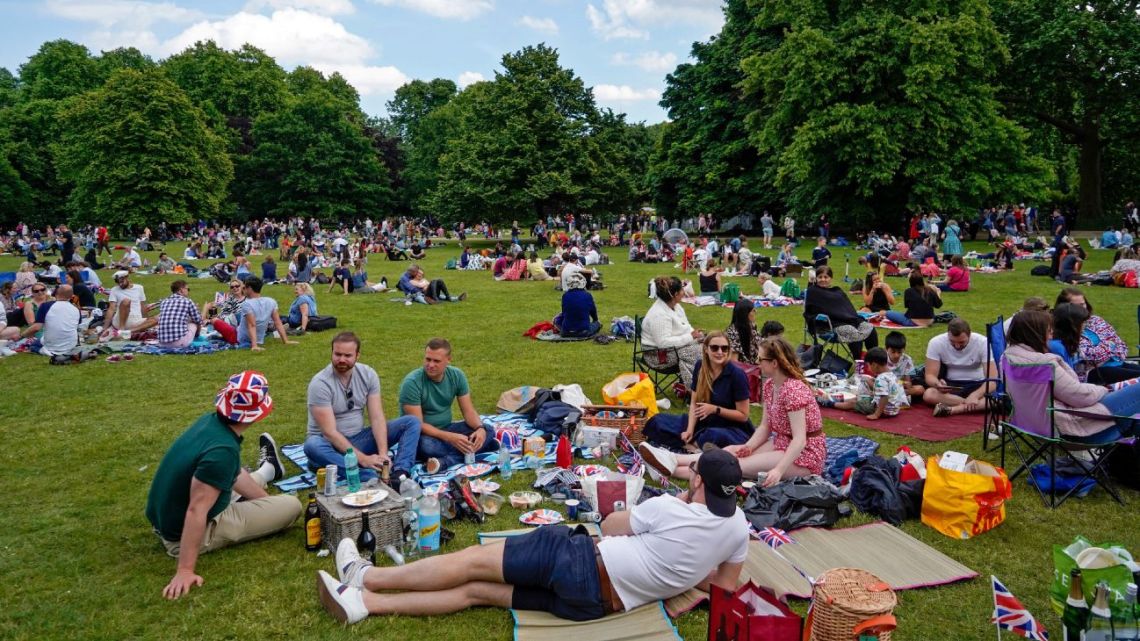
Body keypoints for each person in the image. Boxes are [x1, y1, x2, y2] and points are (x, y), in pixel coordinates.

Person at [317, 447, 747, 624]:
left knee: (468, 561)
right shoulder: (737, 528)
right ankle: (364, 606)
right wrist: (682, 565)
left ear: (699, 483)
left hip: (578, 561)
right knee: (476, 592)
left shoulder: (669, 508)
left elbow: (610, 525)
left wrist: (638, 517)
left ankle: (365, 576)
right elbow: (723, 586)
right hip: (594, 605)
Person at [146, 371, 300, 600]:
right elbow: (197, 509)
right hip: (183, 533)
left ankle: (269, 471)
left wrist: (265, 504)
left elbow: (234, 474)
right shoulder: (222, 451)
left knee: (255, 488)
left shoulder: (211, 423)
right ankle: (268, 474)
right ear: (257, 414)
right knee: (292, 505)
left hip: (167, 517)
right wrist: (185, 570)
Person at [640, 337, 826, 486]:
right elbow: (764, 427)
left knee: (734, 465)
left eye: (760, 359)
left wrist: (778, 470)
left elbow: (800, 440)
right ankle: (671, 458)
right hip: (782, 442)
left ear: (775, 363)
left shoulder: (793, 390)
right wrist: (749, 447)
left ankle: (666, 469)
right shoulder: (770, 386)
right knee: (730, 451)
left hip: (805, 453)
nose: (757, 363)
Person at [304, 332, 422, 483]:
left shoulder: (368, 374)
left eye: (347, 355)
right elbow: (330, 433)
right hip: (330, 446)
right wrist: (364, 459)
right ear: (331, 353)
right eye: (337, 354)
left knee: (411, 422)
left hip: (359, 440)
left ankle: (399, 472)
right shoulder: (320, 383)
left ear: (357, 355)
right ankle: (364, 475)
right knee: (312, 445)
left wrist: (383, 454)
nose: (341, 360)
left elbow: (377, 417)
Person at [1004, 310, 1140, 441]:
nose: (1051, 336)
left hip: (1034, 426)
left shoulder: (1007, 357)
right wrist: (1106, 389)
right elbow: (1080, 396)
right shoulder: (1044, 363)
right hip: (1072, 428)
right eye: (1048, 331)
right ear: (1035, 334)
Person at [399, 338, 500, 471]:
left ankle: (444, 462)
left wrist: (480, 428)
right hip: (421, 436)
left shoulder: (457, 376)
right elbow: (419, 425)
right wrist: (451, 438)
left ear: (448, 360)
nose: (430, 364)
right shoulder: (412, 383)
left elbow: (469, 411)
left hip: (447, 429)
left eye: (436, 361)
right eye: (428, 359)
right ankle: (478, 448)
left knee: (488, 429)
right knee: (426, 446)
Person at [643, 332, 754, 450]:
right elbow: (694, 403)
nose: (720, 352)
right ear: (706, 349)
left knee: (711, 436)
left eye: (724, 348)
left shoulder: (737, 374)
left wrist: (715, 410)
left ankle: (691, 445)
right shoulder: (700, 367)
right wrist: (689, 430)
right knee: (657, 421)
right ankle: (692, 445)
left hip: (731, 428)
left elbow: (743, 416)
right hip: (703, 423)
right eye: (715, 348)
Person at [1054, 287, 1140, 384]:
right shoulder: (1067, 330)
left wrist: (1106, 350)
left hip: (1117, 362)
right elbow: (1089, 355)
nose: (1082, 308)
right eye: (1076, 306)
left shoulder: (1096, 321)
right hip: (1093, 372)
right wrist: (1110, 346)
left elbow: (1121, 344)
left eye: (1083, 304)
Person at [923, 318, 995, 416]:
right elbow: (930, 375)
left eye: (961, 342)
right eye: (952, 342)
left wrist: (975, 395)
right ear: (947, 334)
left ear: (970, 335)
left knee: (998, 398)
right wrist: (937, 384)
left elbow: (992, 380)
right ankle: (972, 405)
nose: (957, 346)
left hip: (978, 383)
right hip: (952, 386)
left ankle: (954, 409)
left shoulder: (983, 342)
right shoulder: (936, 342)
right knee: (929, 394)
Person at [643, 276, 705, 389]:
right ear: (675, 294)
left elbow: (686, 327)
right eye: (682, 289)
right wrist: (690, 337)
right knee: (699, 352)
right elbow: (663, 343)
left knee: (711, 343)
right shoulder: (659, 314)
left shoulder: (677, 307)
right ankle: (695, 391)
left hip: (674, 349)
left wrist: (697, 336)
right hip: (657, 355)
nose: (684, 292)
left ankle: (709, 387)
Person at [803, 266, 878, 355]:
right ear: (816, 278)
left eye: (826, 277)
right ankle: (858, 361)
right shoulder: (813, 291)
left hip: (848, 319)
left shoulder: (837, 290)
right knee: (851, 331)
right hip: (829, 325)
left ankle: (874, 358)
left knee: (869, 327)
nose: (823, 279)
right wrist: (810, 281)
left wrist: (851, 316)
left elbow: (847, 307)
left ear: (831, 279)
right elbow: (810, 309)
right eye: (820, 277)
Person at [818, 347, 909, 419]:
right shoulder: (890, 375)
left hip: (885, 411)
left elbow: (884, 397)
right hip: (893, 409)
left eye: (868, 365)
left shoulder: (881, 379)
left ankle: (830, 404)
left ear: (875, 365)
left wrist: (876, 414)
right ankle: (834, 399)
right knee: (859, 399)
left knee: (854, 403)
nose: (868, 368)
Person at [234, 276, 297, 351]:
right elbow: (278, 322)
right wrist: (286, 341)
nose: (242, 290)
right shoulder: (271, 301)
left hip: (243, 338)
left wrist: (254, 345)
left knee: (221, 322)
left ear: (250, 289)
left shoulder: (246, 304)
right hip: (260, 337)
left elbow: (252, 325)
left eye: (244, 288)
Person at [21, 284, 81, 356]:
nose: (40, 292)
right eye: (36, 291)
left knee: (33, 345)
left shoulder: (46, 306)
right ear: (71, 296)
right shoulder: (76, 309)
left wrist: (22, 335)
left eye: (42, 290)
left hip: (52, 346)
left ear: (56, 293)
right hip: (71, 345)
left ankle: (41, 350)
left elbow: (36, 327)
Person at [101, 271, 158, 339]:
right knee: (126, 301)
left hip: (136, 321)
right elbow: (111, 309)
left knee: (158, 318)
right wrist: (104, 328)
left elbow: (142, 306)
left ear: (127, 277)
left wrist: (146, 320)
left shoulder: (139, 288)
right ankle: (121, 330)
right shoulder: (114, 290)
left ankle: (128, 332)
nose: (120, 284)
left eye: (122, 282)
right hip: (121, 321)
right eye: (118, 283)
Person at [156, 280, 205, 348]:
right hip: (178, 343)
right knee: (193, 324)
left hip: (161, 343)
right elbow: (198, 320)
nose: (188, 291)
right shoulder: (187, 301)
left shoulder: (164, 301)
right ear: (181, 290)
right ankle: (197, 338)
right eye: (188, 289)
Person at [553, 273, 600, 338]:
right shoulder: (587, 295)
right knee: (597, 324)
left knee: (557, 319)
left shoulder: (565, 296)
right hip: (583, 332)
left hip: (566, 333)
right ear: (583, 283)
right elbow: (593, 313)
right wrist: (596, 320)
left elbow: (564, 312)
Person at [398, 264, 466, 305]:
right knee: (433, 283)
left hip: (426, 292)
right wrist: (424, 286)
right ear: (414, 273)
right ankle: (436, 299)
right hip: (417, 294)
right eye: (418, 273)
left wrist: (425, 284)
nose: (419, 274)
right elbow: (414, 289)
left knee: (439, 280)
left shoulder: (419, 279)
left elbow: (427, 284)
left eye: (420, 274)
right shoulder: (410, 280)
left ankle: (450, 297)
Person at [884, 331, 923, 397]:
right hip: (885, 386)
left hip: (900, 387)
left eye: (899, 352)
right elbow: (881, 380)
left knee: (920, 389)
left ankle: (893, 396)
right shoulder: (882, 359)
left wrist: (906, 384)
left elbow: (908, 382)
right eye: (893, 352)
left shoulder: (907, 360)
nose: (896, 355)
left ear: (904, 349)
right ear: (886, 349)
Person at [724, 298, 761, 365]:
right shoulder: (732, 332)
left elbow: (759, 347)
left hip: (755, 367)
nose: (756, 312)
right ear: (745, 314)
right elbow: (734, 363)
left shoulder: (752, 327)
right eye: (753, 310)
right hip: (741, 371)